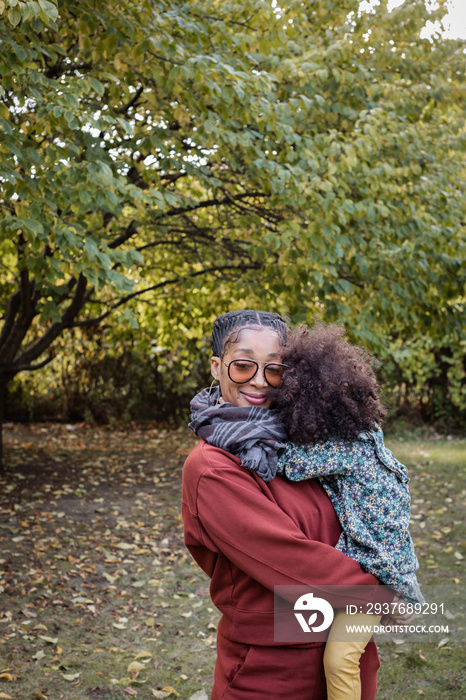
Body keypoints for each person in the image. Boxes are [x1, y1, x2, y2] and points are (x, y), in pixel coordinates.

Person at [182, 310, 407, 700]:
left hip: (346, 656)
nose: (258, 380)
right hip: (273, 672)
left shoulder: (306, 442)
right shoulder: (211, 469)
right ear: (217, 367)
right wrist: (383, 591)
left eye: (275, 369)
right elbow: (289, 560)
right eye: (242, 365)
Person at [268, 322, 424, 700]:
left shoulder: (346, 449)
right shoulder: (365, 434)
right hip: (384, 568)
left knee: (340, 660)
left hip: (379, 575)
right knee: (342, 658)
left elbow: (287, 463)